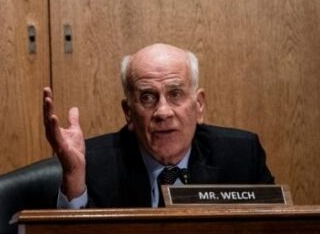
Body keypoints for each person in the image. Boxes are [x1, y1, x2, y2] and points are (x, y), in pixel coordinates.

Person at [42, 43, 274, 209]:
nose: (163, 112)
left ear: (199, 105)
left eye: (175, 94)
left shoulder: (242, 156)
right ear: (128, 112)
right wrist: (73, 179)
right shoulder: (92, 164)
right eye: (147, 97)